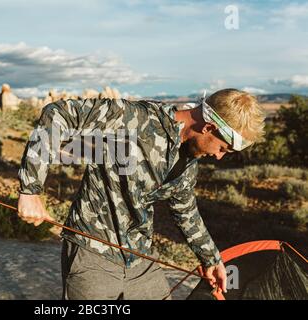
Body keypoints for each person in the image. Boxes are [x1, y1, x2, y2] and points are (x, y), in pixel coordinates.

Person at [17, 88, 265, 299]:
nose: (219, 156)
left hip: (140, 258)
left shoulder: (189, 163)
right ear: (208, 127)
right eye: (222, 148)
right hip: (92, 254)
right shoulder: (133, 117)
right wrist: (30, 189)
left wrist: (211, 259)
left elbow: (186, 211)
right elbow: (57, 113)